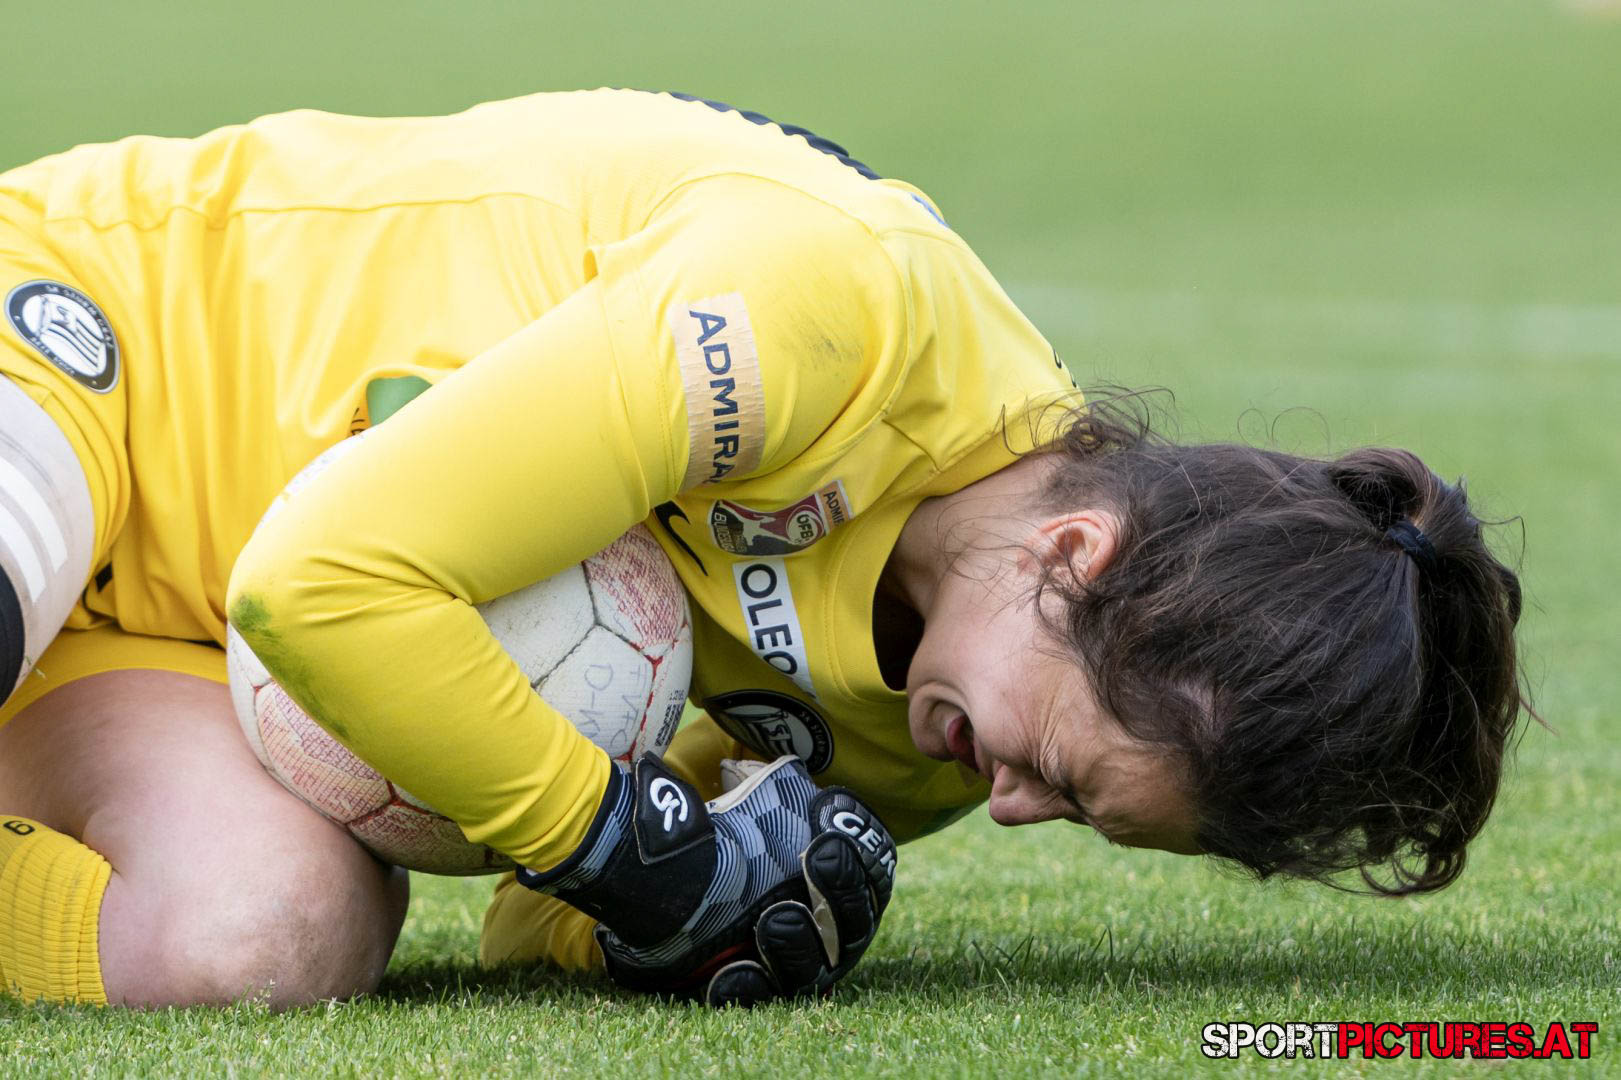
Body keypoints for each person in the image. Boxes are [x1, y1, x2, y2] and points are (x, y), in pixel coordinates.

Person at [0, 89, 1526, 1009]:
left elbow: (535, 914)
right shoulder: (831, 313)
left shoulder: (926, 742)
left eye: (1065, 818)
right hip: (98, 344)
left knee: (256, 941)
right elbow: (329, 579)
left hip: (184, 649)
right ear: (1074, 554)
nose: (1004, 808)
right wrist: (617, 841)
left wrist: (701, 917)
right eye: (1059, 772)